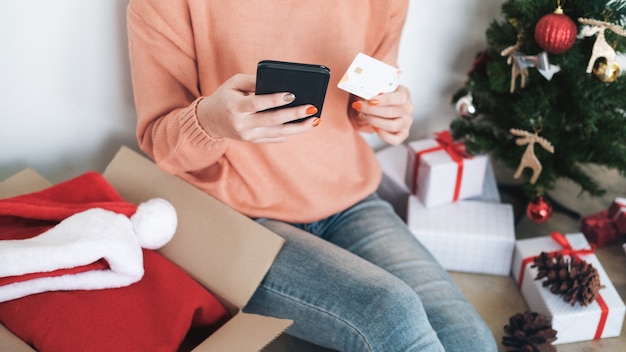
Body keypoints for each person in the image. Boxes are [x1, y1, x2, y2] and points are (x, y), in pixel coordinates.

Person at [126, 1, 497, 351]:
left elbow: (364, 101)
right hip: (237, 218)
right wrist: (210, 121)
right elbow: (159, 142)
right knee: (389, 313)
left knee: (468, 337)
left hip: (349, 200)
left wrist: (388, 113)